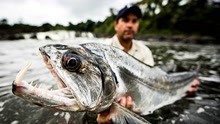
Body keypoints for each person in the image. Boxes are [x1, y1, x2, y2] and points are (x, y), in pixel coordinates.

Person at [97, 5, 200, 123]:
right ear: (116, 25)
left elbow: (155, 81)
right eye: (125, 20)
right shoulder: (102, 50)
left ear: (138, 25)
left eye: (134, 21)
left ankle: (193, 76)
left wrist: (184, 89)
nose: (130, 25)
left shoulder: (145, 51)